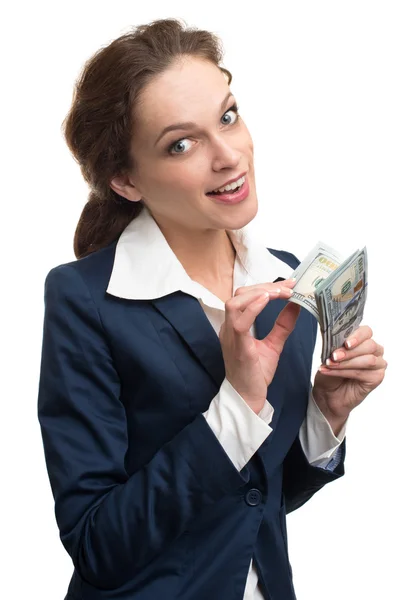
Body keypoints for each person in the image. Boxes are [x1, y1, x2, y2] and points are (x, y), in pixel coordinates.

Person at [37, 18, 387, 600]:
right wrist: (238, 403)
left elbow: (262, 496)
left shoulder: (282, 278)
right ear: (126, 180)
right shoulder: (85, 301)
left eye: (228, 116)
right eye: (182, 143)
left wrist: (325, 416)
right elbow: (97, 543)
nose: (229, 156)